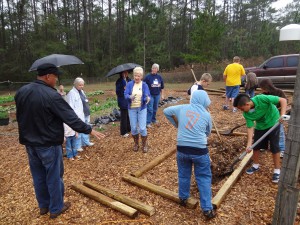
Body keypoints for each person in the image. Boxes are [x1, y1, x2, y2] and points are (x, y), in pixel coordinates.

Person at [14, 63, 105, 219]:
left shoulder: (21, 92)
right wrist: (89, 129)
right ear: (48, 76)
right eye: (55, 77)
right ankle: (56, 207)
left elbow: (21, 117)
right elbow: (70, 118)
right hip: (48, 144)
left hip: (30, 144)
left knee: (38, 176)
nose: (56, 80)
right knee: (54, 176)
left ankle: (43, 206)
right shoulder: (51, 95)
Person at [163, 90, 216, 219]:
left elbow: (166, 111)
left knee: (184, 174)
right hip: (199, 151)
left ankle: (183, 197)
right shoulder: (206, 114)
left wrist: (177, 124)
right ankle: (207, 209)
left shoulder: (182, 108)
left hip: (182, 150)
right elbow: (208, 133)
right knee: (203, 178)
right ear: (204, 100)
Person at [233, 93, 287, 183]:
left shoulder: (261, 98)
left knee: (275, 147)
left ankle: (277, 171)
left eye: (241, 109)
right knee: (256, 146)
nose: (241, 111)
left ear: (247, 104)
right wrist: (249, 144)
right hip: (261, 126)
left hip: (274, 122)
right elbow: (250, 127)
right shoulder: (246, 114)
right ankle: (255, 165)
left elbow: (283, 100)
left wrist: (282, 115)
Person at [259, 78, 287, 158]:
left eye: (263, 88)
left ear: (268, 87)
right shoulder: (264, 95)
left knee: (280, 133)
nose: (263, 90)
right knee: (265, 131)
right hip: (267, 116)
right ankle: (264, 146)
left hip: (278, 116)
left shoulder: (279, 92)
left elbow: (284, 102)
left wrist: (282, 114)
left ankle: (281, 149)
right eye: (262, 89)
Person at [124, 67, 151, 153]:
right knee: (134, 128)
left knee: (142, 128)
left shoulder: (144, 85)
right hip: (132, 109)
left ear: (141, 76)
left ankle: (144, 144)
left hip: (142, 108)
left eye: (138, 76)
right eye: (135, 75)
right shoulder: (129, 84)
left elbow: (147, 94)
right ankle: (136, 144)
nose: (136, 77)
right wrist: (129, 97)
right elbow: (126, 94)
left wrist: (147, 98)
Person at [67, 77, 94, 152]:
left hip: (85, 113)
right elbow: (70, 106)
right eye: (80, 85)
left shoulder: (82, 91)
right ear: (75, 84)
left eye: (82, 85)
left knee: (86, 127)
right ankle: (78, 146)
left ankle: (86, 142)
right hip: (78, 115)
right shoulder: (71, 93)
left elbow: (85, 101)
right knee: (78, 130)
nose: (81, 86)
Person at [144, 63, 165, 128]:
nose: (154, 69)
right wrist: (146, 95)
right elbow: (144, 86)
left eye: (155, 68)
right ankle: (148, 122)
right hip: (150, 95)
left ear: (157, 70)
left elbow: (162, 87)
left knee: (155, 108)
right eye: (153, 68)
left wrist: (162, 95)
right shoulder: (147, 77)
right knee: (150, 109)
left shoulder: (159, 77)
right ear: (151, 69)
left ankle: (153, 119)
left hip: (157, 95)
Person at [116, 70, 131, 137]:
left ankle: (128, 128)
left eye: (126, 72)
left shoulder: (129, 80)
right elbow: (118, 92)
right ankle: (123, 132)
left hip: (128, 100)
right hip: (122, 100)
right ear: (121, 73)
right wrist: (124, 89)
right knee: (124, 116)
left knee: (128, 115)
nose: (126, 74)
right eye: (124, 72)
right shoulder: (119, 81)